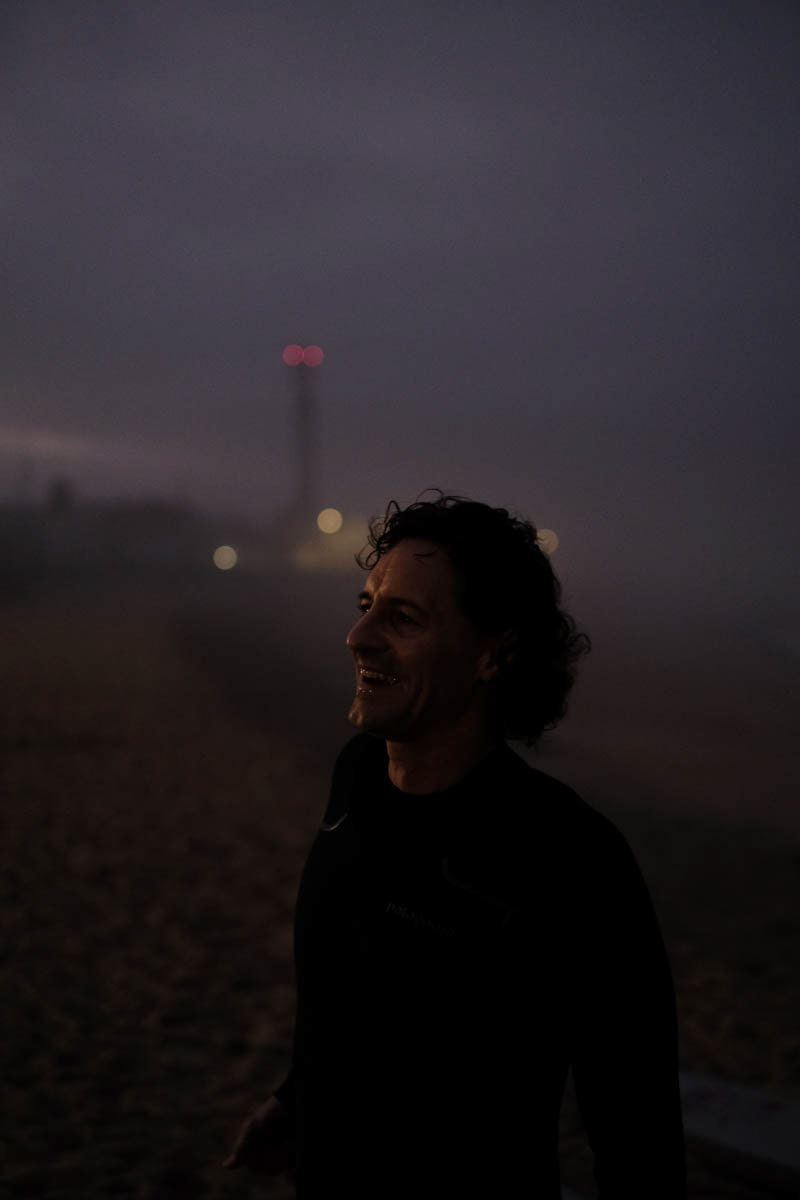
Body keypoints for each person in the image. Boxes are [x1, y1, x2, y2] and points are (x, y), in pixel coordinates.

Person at [224, 492, 687, 1198]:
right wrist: (295, 1099)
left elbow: (637, 1124)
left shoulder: (572, 854)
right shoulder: (356, 776)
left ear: (493, 654)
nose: (359, 636)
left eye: (402, 618)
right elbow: (344, 991)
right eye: (366, 603)